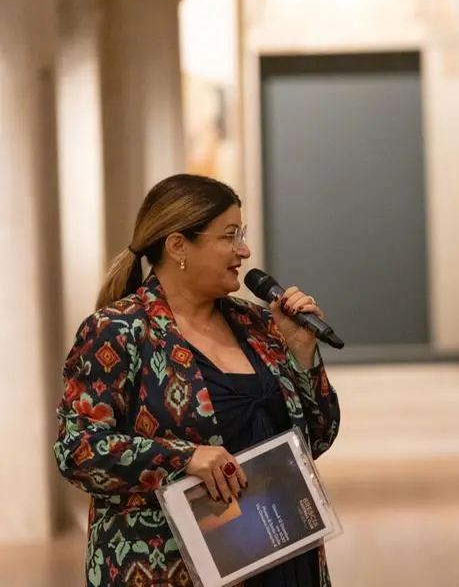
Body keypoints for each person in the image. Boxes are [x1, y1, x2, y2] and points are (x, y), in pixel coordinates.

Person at [53, 174, 341, 587]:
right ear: (178, 246)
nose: (244, 250)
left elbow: (317, 438)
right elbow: (77, 450)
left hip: (285, 558)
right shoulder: (119, 331)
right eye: (229, 236)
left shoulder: (257, 323)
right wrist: (184, 458)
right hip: (171, 569)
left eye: (241, 234)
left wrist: (300, 353)